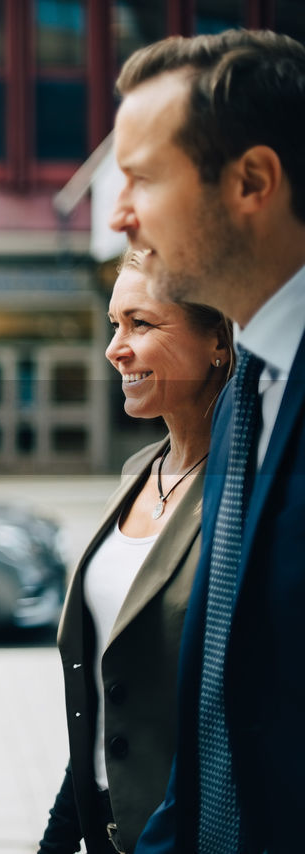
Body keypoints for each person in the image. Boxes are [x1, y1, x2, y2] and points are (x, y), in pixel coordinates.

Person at [108, 29, 305, 854]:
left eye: (142, 179)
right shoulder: (243, 403)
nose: (119, 214)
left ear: (252, 181)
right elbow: (217, 726)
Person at [37, 251, 232, 854]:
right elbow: (109, 690)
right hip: (103, 822)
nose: (115, 348)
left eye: (141, 324)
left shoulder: (245, 491)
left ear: (218, 341)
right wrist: (61, 833)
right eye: (113, 325)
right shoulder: (138, 473)